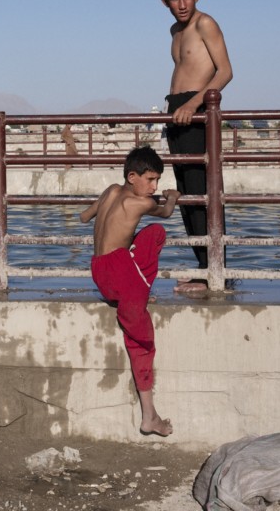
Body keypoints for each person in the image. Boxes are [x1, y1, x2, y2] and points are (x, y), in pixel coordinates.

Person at [79, 146, 180, 436]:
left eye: (157, 181)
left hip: (98, 271)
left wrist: (113, 226)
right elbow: (166, 212)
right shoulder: (141, 203)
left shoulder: (111, 190)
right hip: (119, 273)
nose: (154, 187)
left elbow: (85, 217)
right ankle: (150, 416)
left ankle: (136, 288)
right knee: (142, 341)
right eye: (150, 180)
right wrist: (172, 196)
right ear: (132, 177)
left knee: (140, 240)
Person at [160, 0, 233, 293]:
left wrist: (193, 104)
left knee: (204, 193)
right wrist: (175, 106)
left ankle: (216, 271)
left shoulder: (206, 23)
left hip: (197, 110)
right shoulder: (174, 31)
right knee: (187, 196)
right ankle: (203, 267)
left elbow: (225, 71)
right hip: (177, 112)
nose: (182, 4)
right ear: (165, 2)